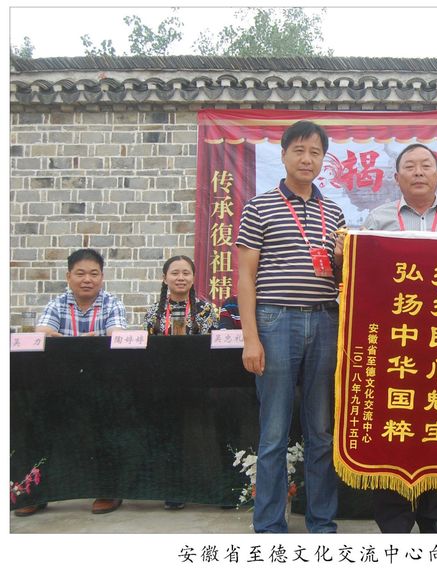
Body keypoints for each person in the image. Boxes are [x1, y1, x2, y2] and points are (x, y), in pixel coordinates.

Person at [359, 143, 437, 533]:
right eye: (410, 166)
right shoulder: (377, 219)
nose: (419, 171)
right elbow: (362, 280)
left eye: (427, 165)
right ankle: (393, 518)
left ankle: (436, 516)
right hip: (393, 341)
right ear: (397, 178)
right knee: (391, 423)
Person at [235, 120, 345, 533]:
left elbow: (341, 278)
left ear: (323, 160)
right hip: (275, 320)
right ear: (283, 155)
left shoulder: (334, 212)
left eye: (315, 152)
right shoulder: (258, 207)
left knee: (321, 430)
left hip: (325, 319)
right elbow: (245, 277)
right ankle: (268, 525)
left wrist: (340, 257)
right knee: (274, 431)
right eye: (299, 150)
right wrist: (251, 339)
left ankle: (322, 522)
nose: (307, 159)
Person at [25, 248, 128, 517]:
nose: (87, 280)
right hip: (60, 382)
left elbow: (115, 336)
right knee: (34, 418)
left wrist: (67, 341)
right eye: (80, 273)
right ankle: (34, 492)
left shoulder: (112, 303)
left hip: (101, 382)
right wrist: (86, 341)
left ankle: (108, 489)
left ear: (102, 277)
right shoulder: (57, 303)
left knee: (109, 420)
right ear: (68, 276)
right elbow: (42, 333)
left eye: (94, 274)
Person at [143, 254, 220, 510]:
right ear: (164, 278)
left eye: (186, 273)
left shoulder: (206, 310)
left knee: (200, 436)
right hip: (163, 385)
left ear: (193, 278)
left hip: (198, 383)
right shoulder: (153, 312)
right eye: (174, 273)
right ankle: (173, 489)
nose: (180, 278)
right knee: (170, 436)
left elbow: (212, 347)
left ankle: (208, 488)